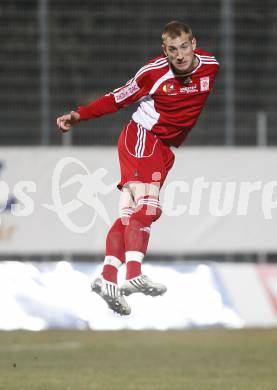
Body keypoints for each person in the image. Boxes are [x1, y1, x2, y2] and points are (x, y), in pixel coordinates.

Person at [57, 21, 219, 316]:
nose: (180, 55)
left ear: (193, 44)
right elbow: (117, 98)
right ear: (165, 51)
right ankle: (133, 274)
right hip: (142, 137)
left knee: (131, 214)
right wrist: (79, 115)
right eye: (173, 50)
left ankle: (107, 278)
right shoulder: (153, 73)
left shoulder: (210, 66)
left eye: (184, 47)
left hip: (164, 149)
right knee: (148, 206)